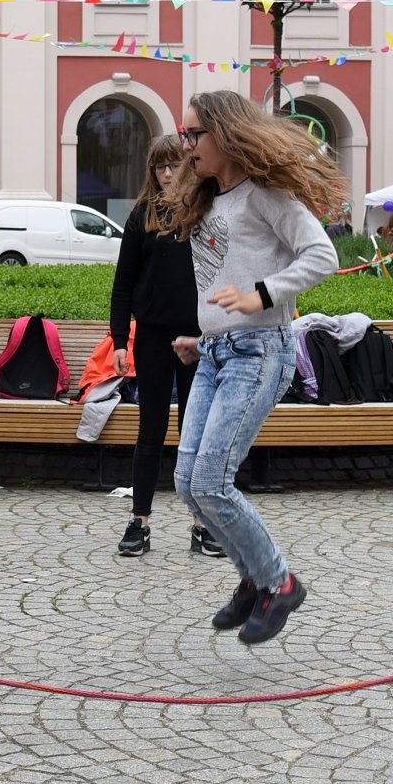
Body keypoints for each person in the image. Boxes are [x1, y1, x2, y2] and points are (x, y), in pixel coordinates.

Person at [163, 90, 339, 645]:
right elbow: (222, 283)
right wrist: (203, 336)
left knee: (212, 480)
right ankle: (255, 578)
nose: (186, 145)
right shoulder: (211, 199)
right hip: (217, 353)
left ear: (226, 133)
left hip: (261, 350)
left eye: (194, 135)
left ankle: (278, 583)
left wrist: (262, 296)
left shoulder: (268, 195)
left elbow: (322, 256)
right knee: (189, 483)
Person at [108, 135, 218, 558]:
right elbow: (123, 283)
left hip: (199, 338)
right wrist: (120, 339)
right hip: (153, 337)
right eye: (160, 167)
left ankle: (201, 524)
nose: (167, 174)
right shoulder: (142, 216)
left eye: (175, 166)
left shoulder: (207, 212)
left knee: (194, 433)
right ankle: (140, 522)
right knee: (150, 430)